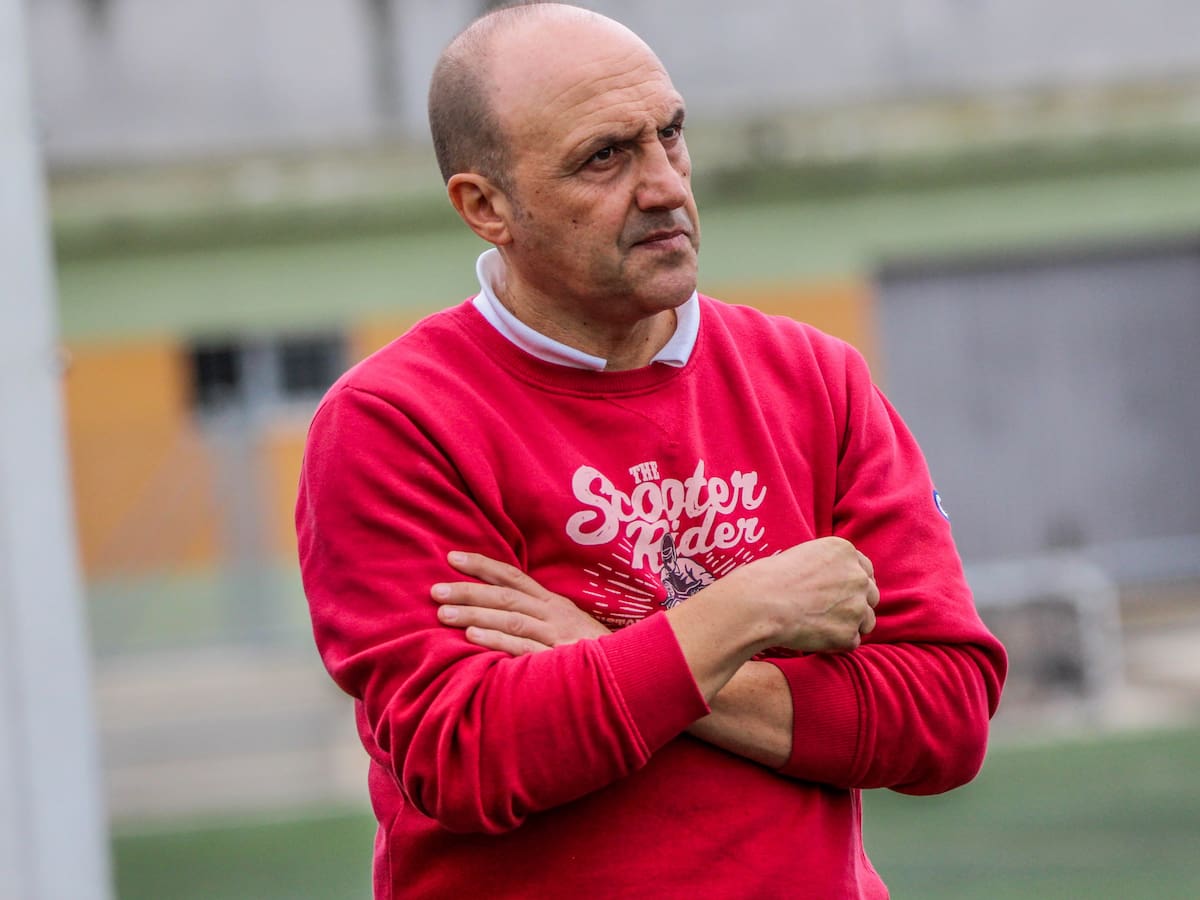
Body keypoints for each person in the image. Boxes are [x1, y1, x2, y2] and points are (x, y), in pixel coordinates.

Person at [295, 3, 1007, 897]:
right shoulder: (394, 420)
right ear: (485, 207)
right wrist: (746, 611)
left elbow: (946, 717)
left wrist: (608, 651)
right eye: (605, 157)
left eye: (670, 134)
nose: (665, 185)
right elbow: (468, 756)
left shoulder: (814, 378)